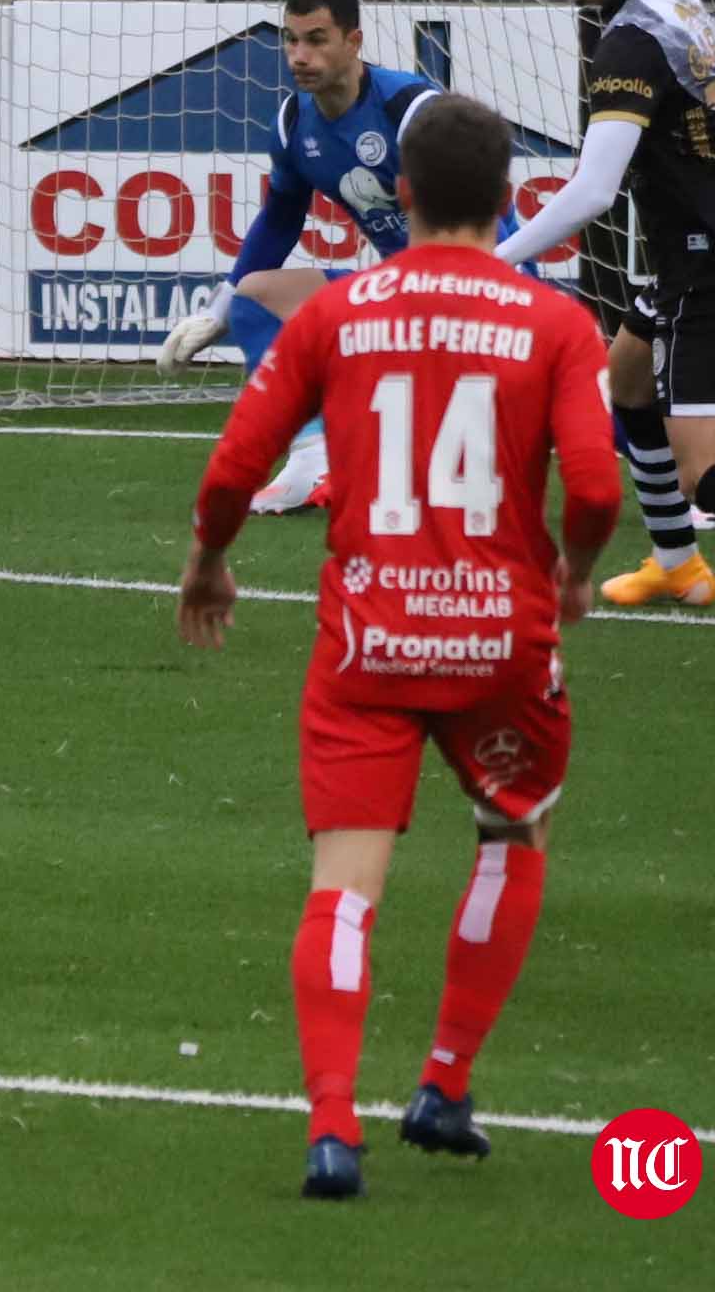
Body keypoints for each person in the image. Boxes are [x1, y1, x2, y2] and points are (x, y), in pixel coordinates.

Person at [183, 93, 616, 1203]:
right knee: (508, 833)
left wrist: (208, 560)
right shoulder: (555, 322)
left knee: (343, 887)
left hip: (370, 640)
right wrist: (571, 573)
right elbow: (598, 481)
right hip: (498, 648)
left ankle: (331, 1128)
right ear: (512, 198)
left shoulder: (336, 312)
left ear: (403, 194)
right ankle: (442, 1082)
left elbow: (235, 465)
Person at [489, 0, 715, 608]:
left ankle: (683, 550)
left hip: (707, 255)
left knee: (707, 476)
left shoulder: (626, 43)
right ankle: (674, 561)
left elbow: (590, 191)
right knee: (625, 369)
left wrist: (486, 264)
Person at [158, 0, 448, 515]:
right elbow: (280, 217)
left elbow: (487, 215)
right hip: (399, 291)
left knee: (604, 415)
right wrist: (216, 313)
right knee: (253, 296)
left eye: (316, 39)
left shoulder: (411, 111)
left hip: (471, 290)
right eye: (291, 40)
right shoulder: (295, 123)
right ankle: (313, 456)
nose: (299, 55)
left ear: (354, 42)